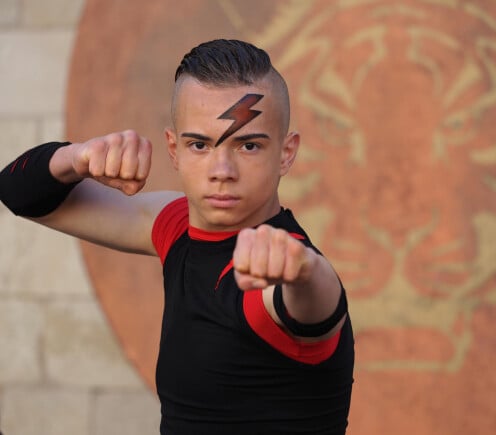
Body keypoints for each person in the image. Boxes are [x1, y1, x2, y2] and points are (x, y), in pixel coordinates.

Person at [0, 39, 354, 434]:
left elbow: (315, 298)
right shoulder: (176, 227)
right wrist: (76, 158)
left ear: (286, 153)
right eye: (200, 145)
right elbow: (19, 194)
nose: (222, 169)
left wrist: (301, 268)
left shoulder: (279, 276)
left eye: (248, 145)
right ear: (174, 149)